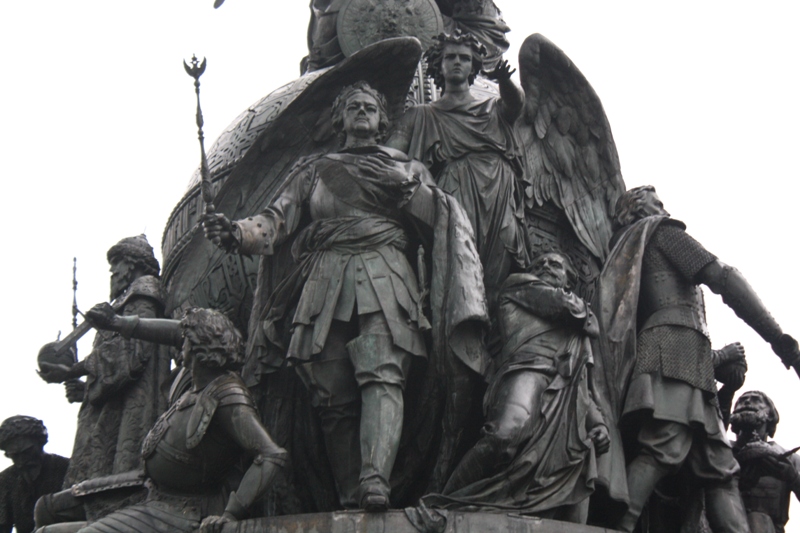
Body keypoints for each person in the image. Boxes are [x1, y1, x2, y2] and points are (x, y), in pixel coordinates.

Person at [202, 81, 487, 510]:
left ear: (381, 120)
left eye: (369, 107)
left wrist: (409, 194)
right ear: (340, 119)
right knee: (330, 388)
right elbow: (274, 221)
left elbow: (439, 218)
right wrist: (236, 232)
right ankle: (350, 491)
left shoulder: (405, 167)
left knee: (383, 368)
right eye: (352, 106)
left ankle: (376, 480)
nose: (361, 112)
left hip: (385, 268)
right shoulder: (312, 170)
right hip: (325, 275)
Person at [596, 185, 800, 532]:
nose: (664, 209)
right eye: (656, 204)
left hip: (687, 360)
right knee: (664, 446)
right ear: (637, 211)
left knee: (720, 470)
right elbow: (723, 276)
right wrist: (780, 340)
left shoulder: (629, 248)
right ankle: (617, 525)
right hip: (674, 351)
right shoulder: (663, 233)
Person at [36, 308, 287, 533]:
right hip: (150, 491)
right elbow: (172, 333)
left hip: (183, 509)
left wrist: (230, 514)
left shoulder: (227, 395)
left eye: (185, 339)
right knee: (47, 514)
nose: (179, 343)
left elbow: (271, 455)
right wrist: (117, 322)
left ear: (199, 345)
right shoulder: (192, 385)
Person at [424, 252, 609, 522]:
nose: (545, 266)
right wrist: (585, 312)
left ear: (569, 280)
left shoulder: (575, 333)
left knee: (578, 450)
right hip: (525, 371)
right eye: (539, 264)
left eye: (555, 264)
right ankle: (444, 501)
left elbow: (583, 383)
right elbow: (569, 308)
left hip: (565, 390)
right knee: (503, 435)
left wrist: (598, 423)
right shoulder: (518, 285)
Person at [387, 29, 529, 309]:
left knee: (501, 260)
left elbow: (517, 105)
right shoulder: (422, 114)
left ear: (474, 65)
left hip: (499, 188)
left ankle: (496, 338)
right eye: (450, 57)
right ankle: (463, 332)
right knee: (461, 260)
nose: (457, 62)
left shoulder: (493, 108)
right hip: (455, 188)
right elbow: (391, 154)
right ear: (438, 64)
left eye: (464, 58)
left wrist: (504, 80)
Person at [38, 235, 171, 488]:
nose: (113, 273)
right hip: (115, 404)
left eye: (115, 266)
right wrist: (86, 387)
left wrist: (71, 371)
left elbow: (132, 352)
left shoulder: (143, 293)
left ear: (131, 264)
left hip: (130, 409)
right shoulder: (124, 301)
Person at [731, 391, 800, 533]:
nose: (747, 402)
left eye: (756, 400)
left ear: (770, 415)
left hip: (768, 528)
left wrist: (793, 477)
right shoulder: (719, 451)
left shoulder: (790, 459)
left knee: (758, 519)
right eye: (742, 401)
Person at [0, 416, 68, 533]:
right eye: (15, 455)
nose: (22, 461)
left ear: (40, 442)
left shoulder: (66, 467)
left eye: (27, 452)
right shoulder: (5, 480)